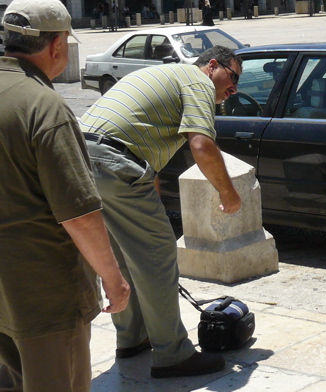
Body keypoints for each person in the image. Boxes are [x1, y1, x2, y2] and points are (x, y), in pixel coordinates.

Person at [79, 45, 243, 378]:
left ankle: (132, 337)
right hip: (113, 163)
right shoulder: (197, 82)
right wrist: (229, 193)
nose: (234, 89)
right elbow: (201, 143)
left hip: (82, 157)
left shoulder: (165, 75)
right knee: (157, 253)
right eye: (234, 76)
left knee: (123, 253)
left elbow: (138, 132)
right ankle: (173, 354)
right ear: (212, 65)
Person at [0, 0, 130, 392]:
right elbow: (78, 213)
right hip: (44, 296)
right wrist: (113, 278)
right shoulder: (44, 107)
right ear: (56, 45)